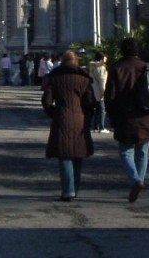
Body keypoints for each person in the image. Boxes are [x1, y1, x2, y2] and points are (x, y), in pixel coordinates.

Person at [105, 37, 149, 203]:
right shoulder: (148, 67)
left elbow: (110, 96)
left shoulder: (117, 68)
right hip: (146, 116)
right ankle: (140, 181)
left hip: (125, 117)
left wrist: (111, 116)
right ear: (138, 51)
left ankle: (136, 180)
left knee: (125, 152)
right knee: (143, 152)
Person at [42, 50, 95, 201]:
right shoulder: (83, 79)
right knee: (78, 155)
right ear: (76, 61)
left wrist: (54, 113)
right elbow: (90, 103)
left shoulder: (55, 78)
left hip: (61, 118)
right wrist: (86, 116)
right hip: (80, 120)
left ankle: (68, 190)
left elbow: (46, 102)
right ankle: (74, 188)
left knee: (65, 155)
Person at [89, 51, 110, 133]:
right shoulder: (101, 68)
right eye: (105, 57)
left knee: (97, 109)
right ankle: (101, 127)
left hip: (93, 90)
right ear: (102, 58)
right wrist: (104, 92)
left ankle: (96, 126)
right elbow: (102, 81)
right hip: (99, 91)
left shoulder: (93, 66)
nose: (106, 58)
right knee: (102, 109)